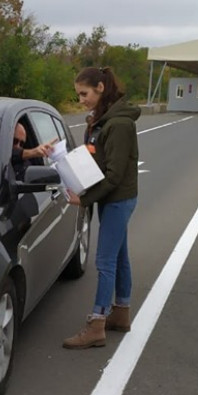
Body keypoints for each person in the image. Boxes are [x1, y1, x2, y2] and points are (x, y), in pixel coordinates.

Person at [62, 66, 140, 349]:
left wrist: (83, 199)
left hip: (118, 199)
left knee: (105, 262)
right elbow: (95, 159)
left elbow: (114, 174)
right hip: (111, 199)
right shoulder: (102, 120)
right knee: (119, 257)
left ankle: (97, 324)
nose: (81, 99)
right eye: (79, 95)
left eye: (84, 94)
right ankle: (121, 314)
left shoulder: (118, 124)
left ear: (101, 88)